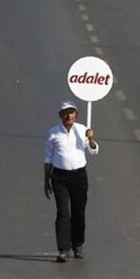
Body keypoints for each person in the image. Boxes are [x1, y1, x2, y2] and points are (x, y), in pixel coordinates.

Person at [44, 101, 99, 263]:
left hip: (79, 177)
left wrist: (91, 139)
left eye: (72, 113)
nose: (69, 116)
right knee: (63, 213)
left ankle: (78, 244)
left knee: (78, 212)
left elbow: (94, 151)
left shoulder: (83, 130)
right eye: (66, 113)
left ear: (76, 115)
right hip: (59, 177)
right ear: (61, 116)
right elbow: (48, 158)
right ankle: (63, 249)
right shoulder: (53, 133)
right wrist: (46, 180)